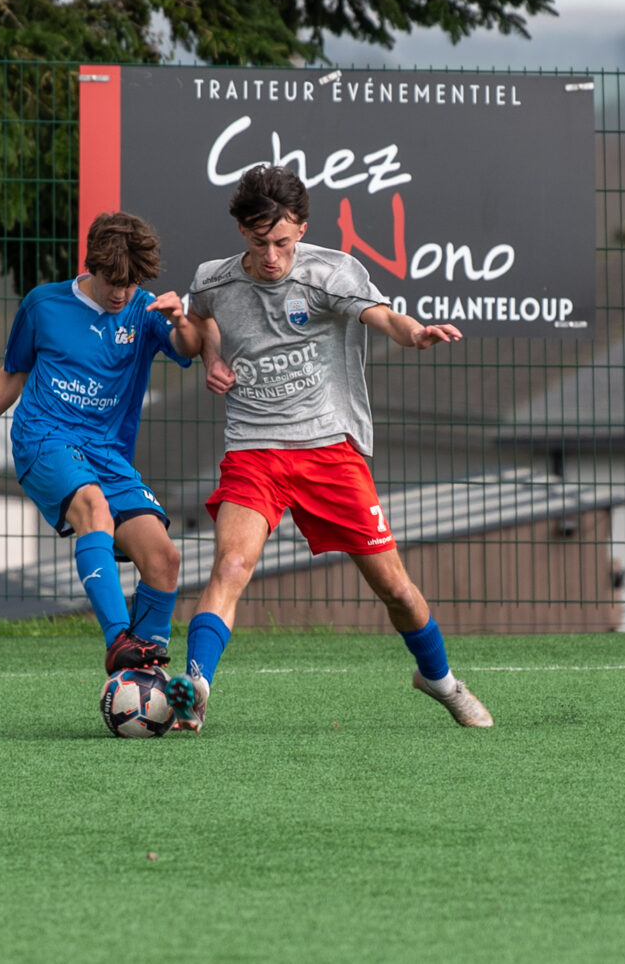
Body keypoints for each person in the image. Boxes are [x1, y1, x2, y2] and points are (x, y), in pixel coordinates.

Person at [168, 164, 494, 733]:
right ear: (242, 231)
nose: (272, 256)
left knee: (395, 589)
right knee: (232, 564)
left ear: (302, 228)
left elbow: (383, 316)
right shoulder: (214, 279)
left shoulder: (331, 273)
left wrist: (414, 334)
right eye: (260, 242)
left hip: (328, 450)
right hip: (254, 448)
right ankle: (195, 689)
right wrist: (210, 355)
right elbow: (198, 325)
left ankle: (440, 680)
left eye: (282, 242)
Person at [0, 212, 205, 673]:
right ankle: (119, 640)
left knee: (164, 558)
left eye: (130, 284)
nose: (121, 294)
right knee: (93, 508)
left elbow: (188, 348)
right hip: (43, 437)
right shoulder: (43, 305)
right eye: (112, 282)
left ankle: (143, 674)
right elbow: (12, 373)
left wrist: (180, 320)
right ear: (92, 265)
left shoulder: (145, 310)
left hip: (107, 454)